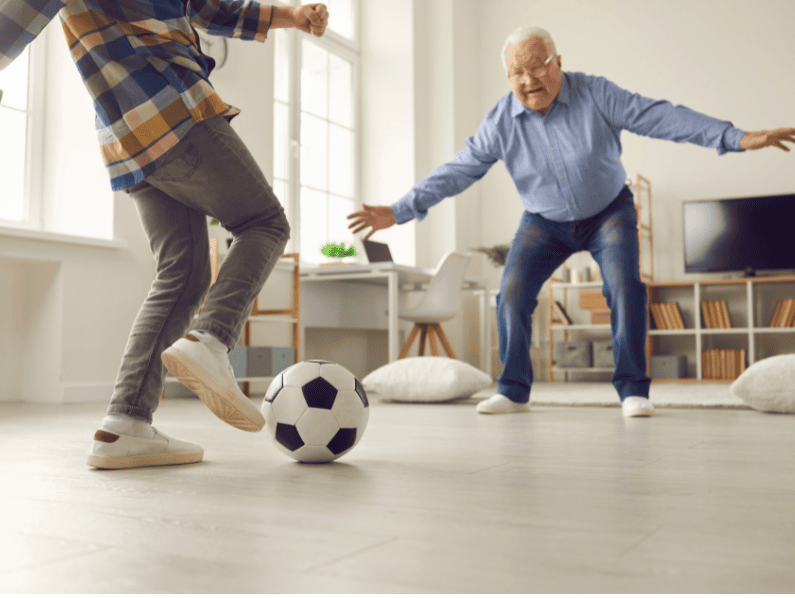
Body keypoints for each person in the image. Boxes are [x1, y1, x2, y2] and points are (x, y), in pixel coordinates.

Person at [347, 26, 795, 417]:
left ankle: (633, 391)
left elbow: (660, 116)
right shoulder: (501, 121)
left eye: (537, 67)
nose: (529, 80)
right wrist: (399, 210)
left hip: (609, 211)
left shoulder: (595, 93)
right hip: (543, 221)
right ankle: (514, 390)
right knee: (512, 293)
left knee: (625, 287)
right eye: (517, 74)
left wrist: (734, 137)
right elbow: (458, 170)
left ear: (557, 62)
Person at [1, 0, 329, 469]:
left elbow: (210, 8)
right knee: (264, 223)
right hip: (174, 111)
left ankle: (126, 424)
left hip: (126, 140)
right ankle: (212, 341)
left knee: (184, 271)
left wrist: (290, 16)